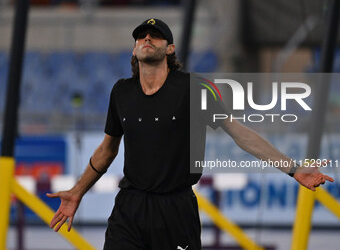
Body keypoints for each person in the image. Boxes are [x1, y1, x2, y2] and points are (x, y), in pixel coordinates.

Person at [47, 18, 334, 249]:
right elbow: (107, 150)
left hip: (176, 210)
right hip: (130, 207)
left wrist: (293, 168)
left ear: (170, 49)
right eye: (141, 36)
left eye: (155, 35)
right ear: (134, 49)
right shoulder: (121, 91)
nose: (147, 39)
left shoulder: (195, 88)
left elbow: (241, 134)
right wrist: (76, 192)